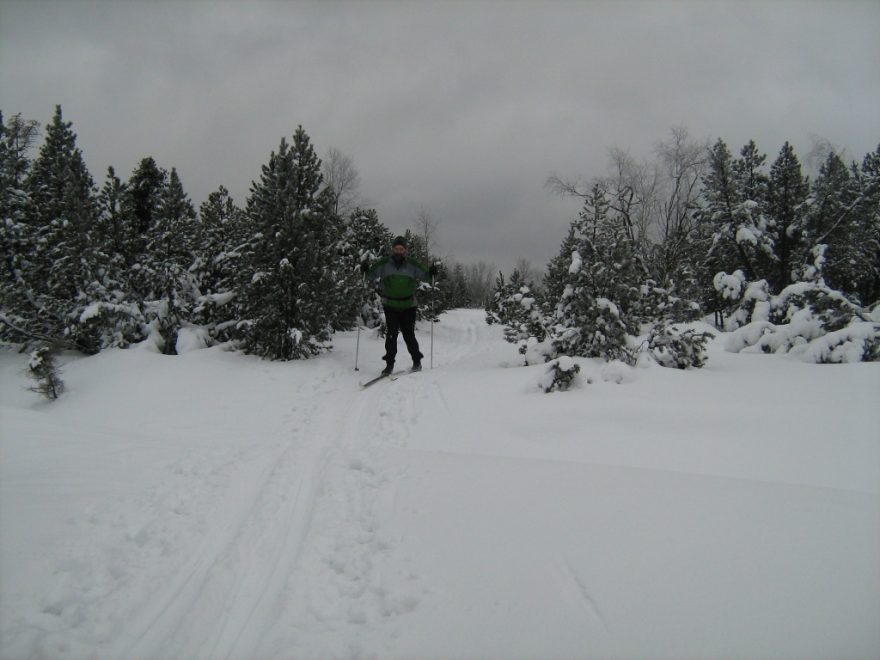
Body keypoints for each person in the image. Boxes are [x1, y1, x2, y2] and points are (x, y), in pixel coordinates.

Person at [362, 236, 437, 374]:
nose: (398, 251)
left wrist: (432, 272)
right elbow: (370, 276)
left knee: (409, 335)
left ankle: (417, 362)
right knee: (391, 334)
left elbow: (427, 277)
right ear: (392, 249)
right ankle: (389, 365)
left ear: (405, 250)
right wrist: (365, 270)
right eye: (396, 249)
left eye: (401, 249)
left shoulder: (412, 265)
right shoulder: (384, 264)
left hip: (409, 305)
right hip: (390, 304)